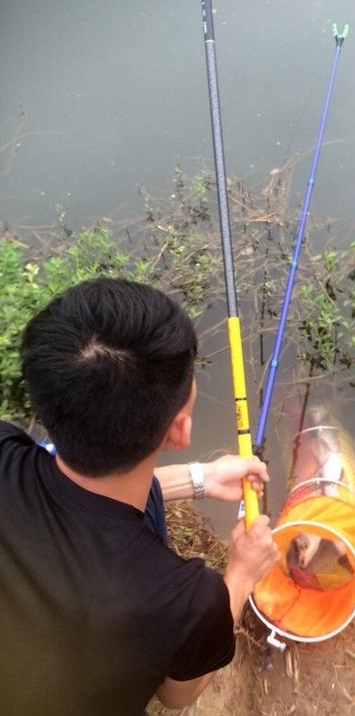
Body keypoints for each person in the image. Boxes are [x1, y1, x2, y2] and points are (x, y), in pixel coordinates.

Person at [0, 277, 279, 715]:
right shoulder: (187, 600)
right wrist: (243, 572)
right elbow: (177, 695)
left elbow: (91, 499)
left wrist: (199, 479)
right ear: (180, 431)